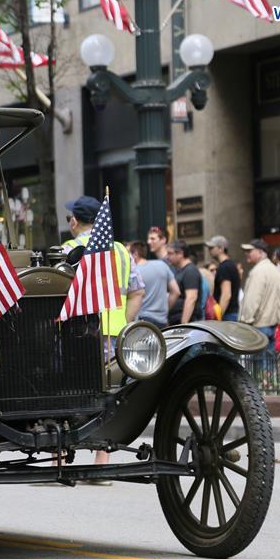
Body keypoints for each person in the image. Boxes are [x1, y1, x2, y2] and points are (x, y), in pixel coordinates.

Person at [63, 196, 144, 478]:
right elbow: (137, 292)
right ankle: (102, 462)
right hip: (115, 333)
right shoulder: (122, 251)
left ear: (75, 221)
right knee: (111, 395)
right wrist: (125, 322)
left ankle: (58, 458)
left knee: (68, 391)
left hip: (78, 333)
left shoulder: (68, 249)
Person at [238, 239, 280, 349]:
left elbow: (252, 300)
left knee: (258, 364)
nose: (246, 253)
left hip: (258, 326)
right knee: (269, 362)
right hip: (271, 326)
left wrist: (245, 321)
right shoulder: (275, 270)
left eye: (250, 251)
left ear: (261, 252)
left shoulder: (258, 272)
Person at [129, 241, 180, 329]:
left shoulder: (134, 273)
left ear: (135, 254)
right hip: (162, 321)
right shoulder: (162, 265)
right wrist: (165, 310)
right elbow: (176, 292)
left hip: (142, 322)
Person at [205, 235, 241, 322]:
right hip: (232, 313)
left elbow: (226, 294)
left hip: (228, 315)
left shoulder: (224, 267)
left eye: (211, 248)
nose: (209, 251)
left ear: (221, 248)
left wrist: (218, 317)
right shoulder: (230, 265)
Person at [166, 241, 202, 325]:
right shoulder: (179, 270)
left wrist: (184, 323)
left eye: (170, 253)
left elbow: (191, 298)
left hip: (186, 323)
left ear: (180, 254)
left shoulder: (190, 271)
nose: (167, 257)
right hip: (175, 320)